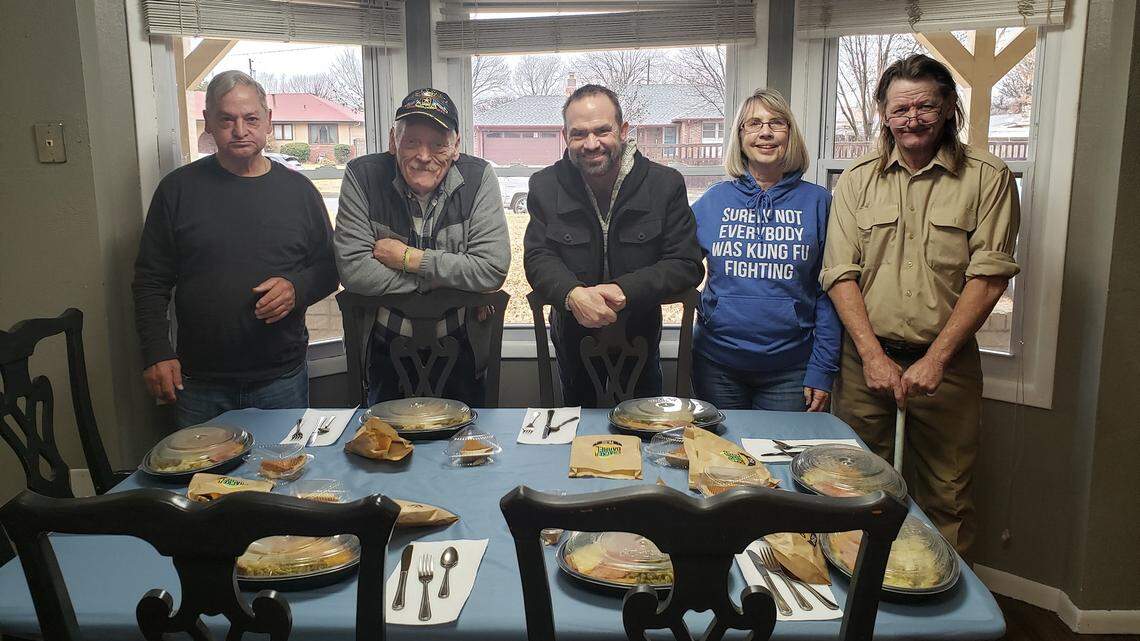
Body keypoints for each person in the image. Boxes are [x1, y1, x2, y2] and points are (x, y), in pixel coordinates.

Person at [821, 54, 1020, 553]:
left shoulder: (987, 178)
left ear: (949, 106)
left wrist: (935, 358)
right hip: (866, 363)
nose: (912, 119)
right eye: (900, 109)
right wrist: (871, 356)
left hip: (946, 367)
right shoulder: (857, 179)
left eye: (925, 106)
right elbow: (840, 274)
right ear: (883, 114)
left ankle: (940, 620)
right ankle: (862, 609)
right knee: (853, 488)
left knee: (946, 497)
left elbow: (989, 276)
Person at [133, 71, 337, 428]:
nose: (240, 130)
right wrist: (156, 352)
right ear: (209, 122)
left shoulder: (300, 192)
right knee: (204, 484)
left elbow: (329, 269)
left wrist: (296, 288)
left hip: (281, 379)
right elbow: (150, 280)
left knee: (284, 476)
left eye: (251, 119)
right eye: (227, 119)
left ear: (268, 121)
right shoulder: (177, 191)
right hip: (198, 383)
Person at [524, 84, 704, 407]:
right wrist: (572, 293)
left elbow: (687, 262)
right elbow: (538, 257)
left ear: (622, 130)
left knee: (644, 436)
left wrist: (625, 290)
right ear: (566, 137)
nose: (591, 144)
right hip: (572, 338)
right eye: (578, 134)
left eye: (602, 131)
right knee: (580, 438)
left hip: (641, 336)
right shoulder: (545, 186)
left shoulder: (665, 185)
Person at [334, 88, 509, 407]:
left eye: (438, 144)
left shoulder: (480, 177)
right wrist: (454, 279)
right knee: (384, 451)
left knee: (467, 451)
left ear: (456, 146)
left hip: (463, 346)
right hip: (384, 348)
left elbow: (491, 268)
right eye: (411, 141)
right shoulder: (362, 176)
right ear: (392, 141)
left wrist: (406, 258)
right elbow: (355, 271)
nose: (424, 156)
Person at [691, 89, 841, 412]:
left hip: (791, 371)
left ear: (790, 135)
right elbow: (677, 268)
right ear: (740, 136)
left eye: (777, 123)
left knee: (779, 460)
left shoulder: (818, 203)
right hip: (716, 365)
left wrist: (823, 367)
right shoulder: (712, 202)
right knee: (719, 459)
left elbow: (830, 293)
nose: (766, 132)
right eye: (754, 123)